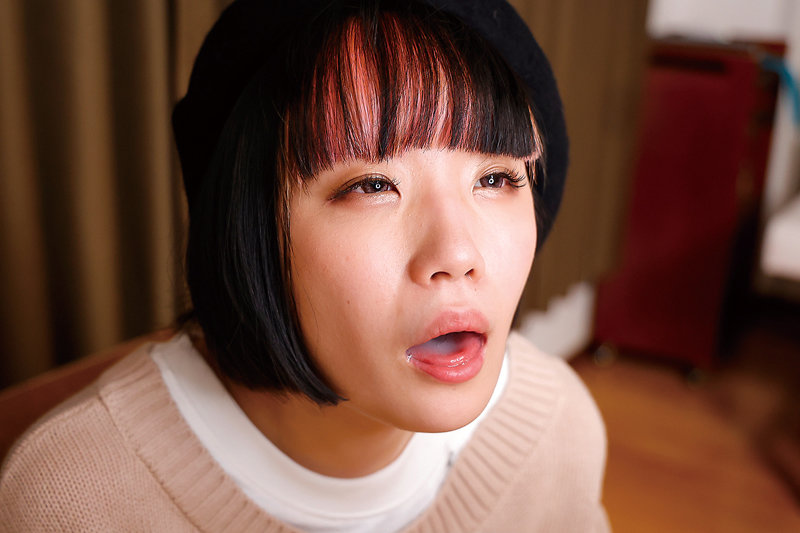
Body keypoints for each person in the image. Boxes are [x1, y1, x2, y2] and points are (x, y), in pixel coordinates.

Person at [0, 0, 609, 531]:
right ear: (250, 229)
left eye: (497, 178)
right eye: (373, 185)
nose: (458, 255)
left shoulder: (554, 427)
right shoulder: (73, 498)